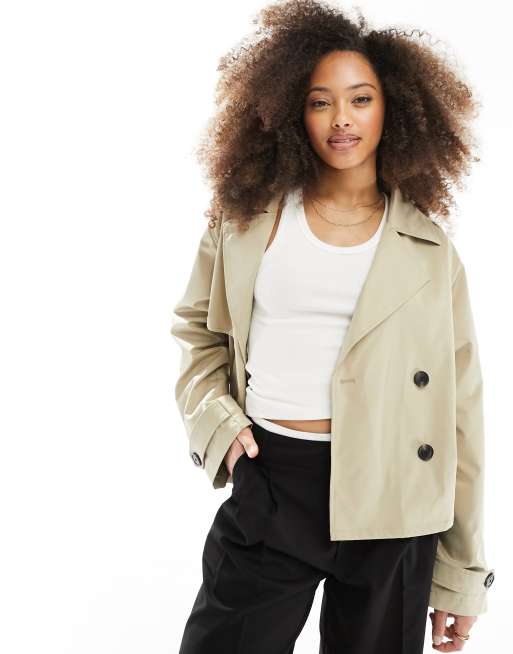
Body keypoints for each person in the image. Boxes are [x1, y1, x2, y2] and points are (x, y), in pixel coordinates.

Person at [170, 1, 495, 652]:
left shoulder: (431, 253)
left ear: (393, 109)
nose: (341, 118)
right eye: (320, 102)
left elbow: (458, 413)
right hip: (273, 480)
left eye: (360, 99)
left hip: (394, 500)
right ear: (292, 111)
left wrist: (459, 575)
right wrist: (220, 427)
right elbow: (199, 332)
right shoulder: (245, 223)